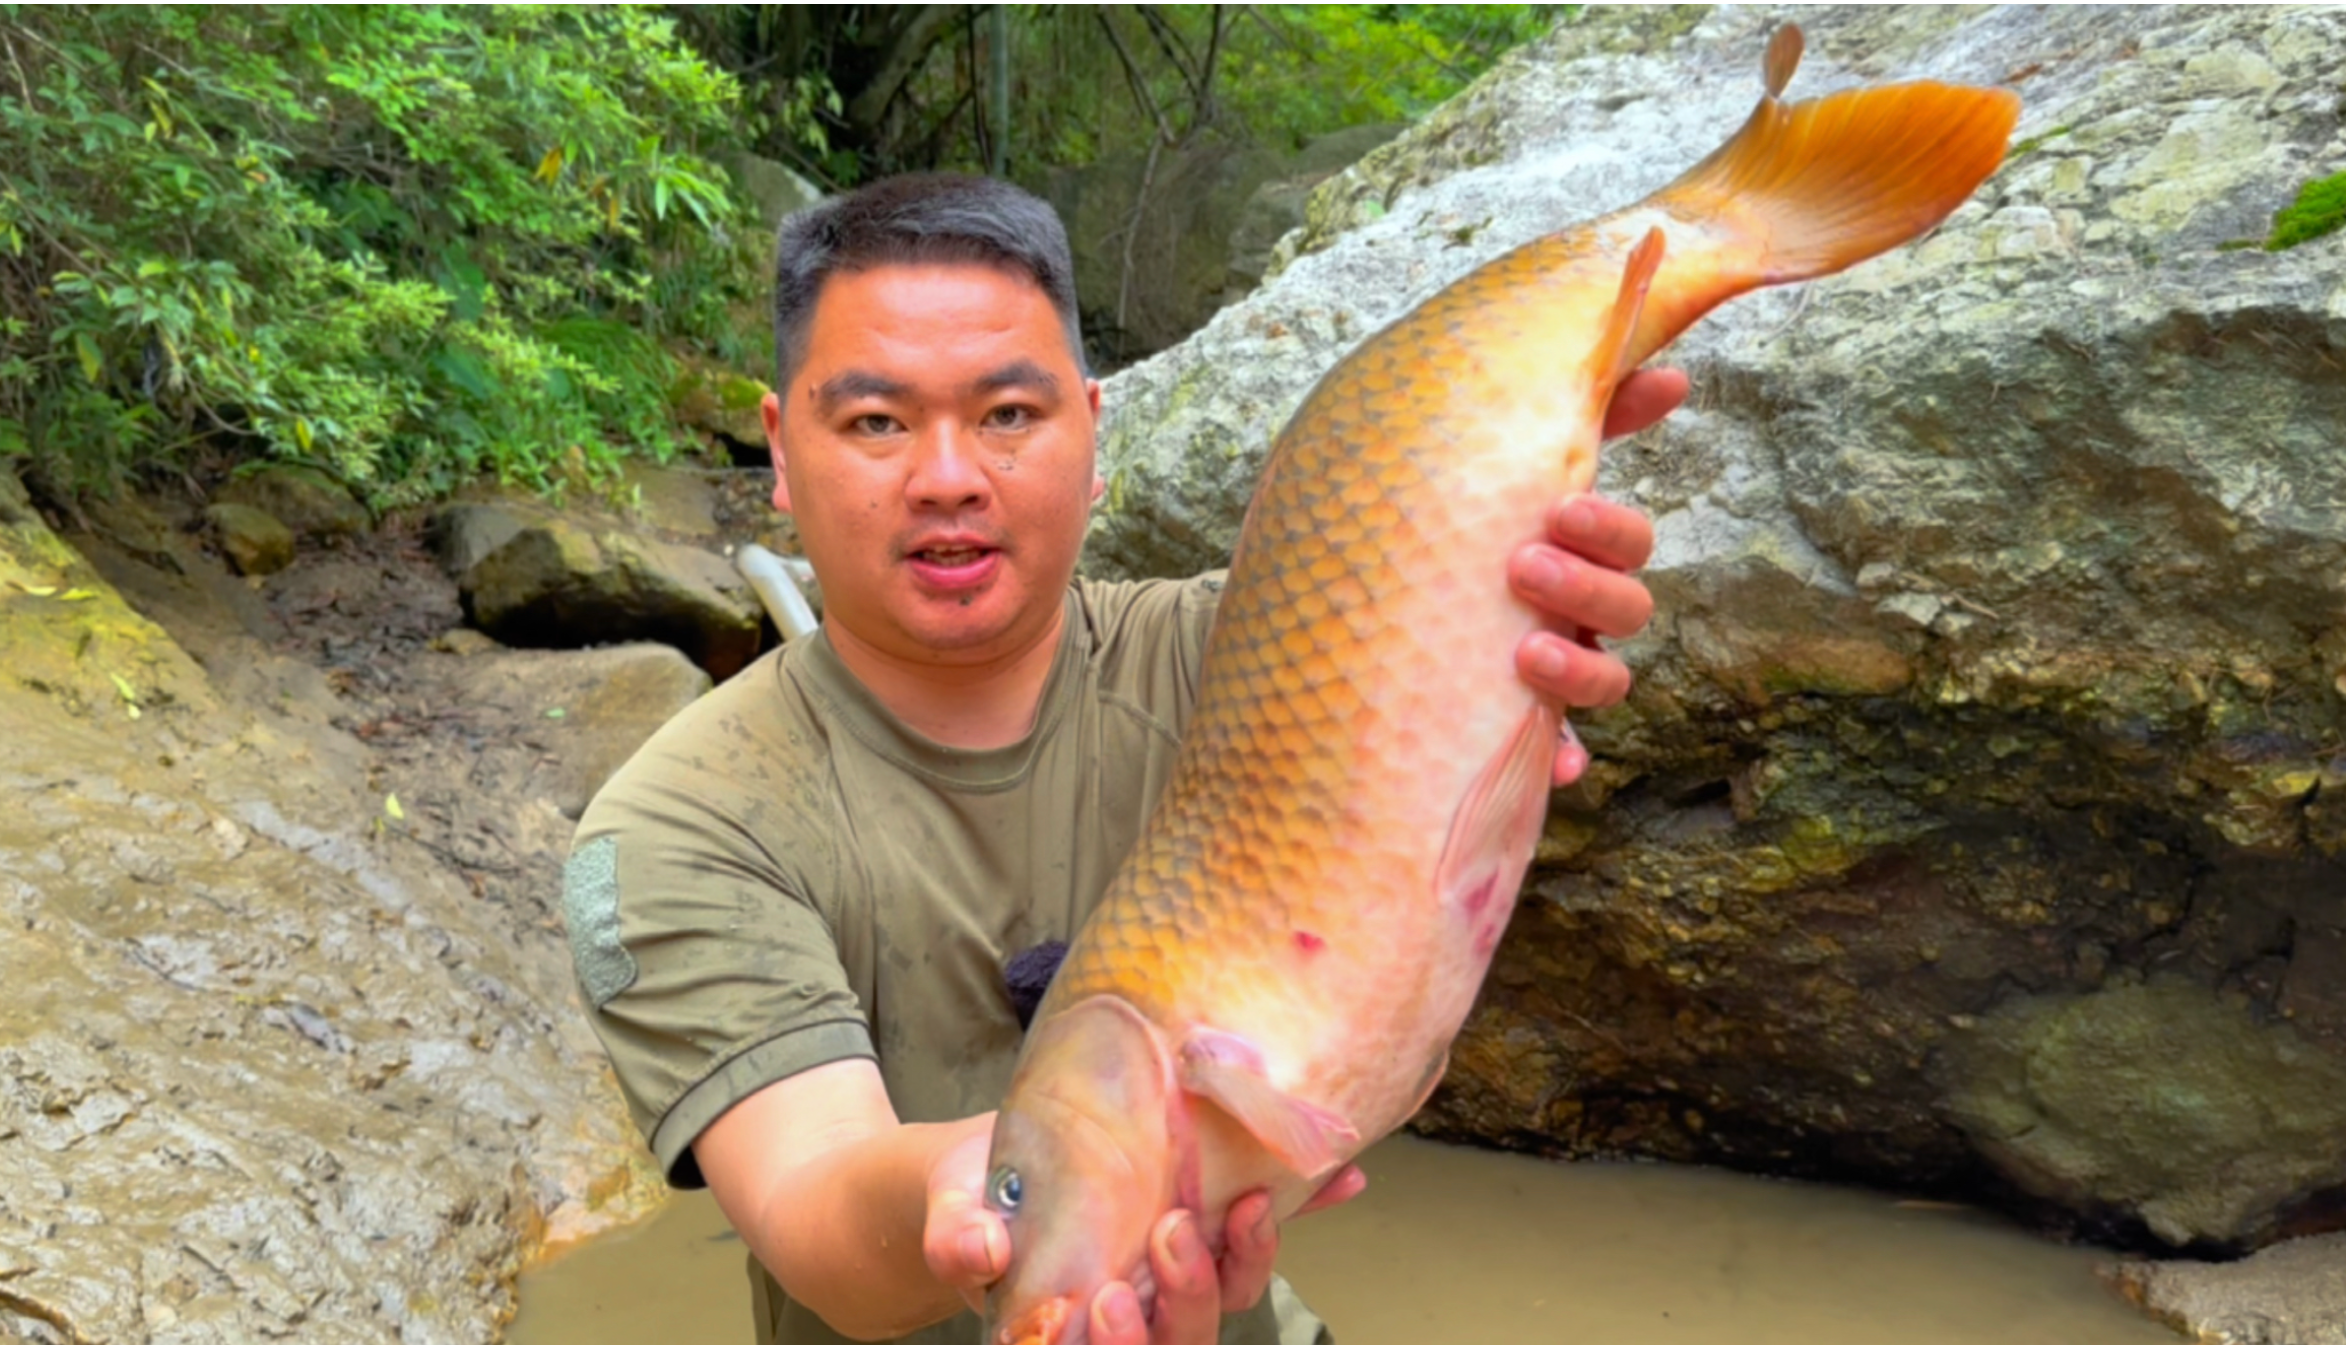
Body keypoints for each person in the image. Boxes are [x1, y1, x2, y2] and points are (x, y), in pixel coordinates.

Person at [562, 173, 1680, 1345]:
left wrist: (1527, 611)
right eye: (877, 422)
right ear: (781, 447)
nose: (949, 476)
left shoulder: (1253, 651)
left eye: (1007, 414)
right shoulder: (678, 824)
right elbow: (813, 1206)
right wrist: (1000, 1201)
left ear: (1094, 434)